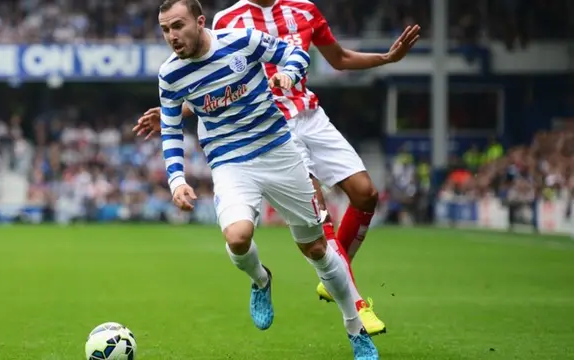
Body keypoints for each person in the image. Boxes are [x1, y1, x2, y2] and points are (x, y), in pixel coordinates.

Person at [134, 0, 420, 336]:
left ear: (196, 22)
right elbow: (212, 84)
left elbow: (335, 58)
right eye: (165, 29)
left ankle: (337, 279)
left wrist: (385, 59)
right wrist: (175, 122)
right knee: (304, 228)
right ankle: (352, 307)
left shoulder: (303, 10)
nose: (171, 35)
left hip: (303, 120)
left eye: (176, 26)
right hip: (257, 137)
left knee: (365, 195)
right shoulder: (228, 19)